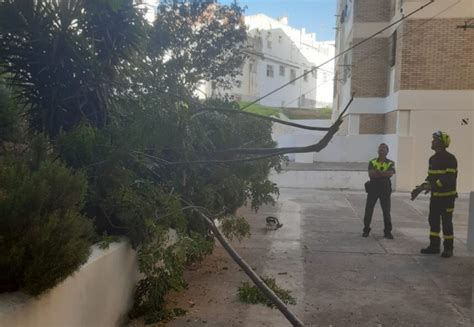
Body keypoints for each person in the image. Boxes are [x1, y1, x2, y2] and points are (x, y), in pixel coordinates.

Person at [413, 131, 457, 258]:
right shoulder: (432, 159)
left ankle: (448, 248)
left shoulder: (450, 159)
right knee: (433, 221)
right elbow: (430, 176)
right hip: (436, 197)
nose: (432, 142)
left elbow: (449, 178)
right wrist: (422, 186)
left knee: (447, 223)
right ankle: (434, 246)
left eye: (435, 140)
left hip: (447, 197)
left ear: (442, 143)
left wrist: (432, 185)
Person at [362, 143, 396, 239]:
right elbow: (371, 175)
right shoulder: (372, 162)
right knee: (369, 209)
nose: (381, 150)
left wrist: (378, 172)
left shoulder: (391, 163)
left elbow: (390, 174)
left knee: (386, 211)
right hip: (373, 188)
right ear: (377, 151)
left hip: (385, 189)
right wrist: (383, 174)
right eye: (380, 149)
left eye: (383, 149)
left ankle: (387, 232)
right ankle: (366, 229)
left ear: (387, 151)